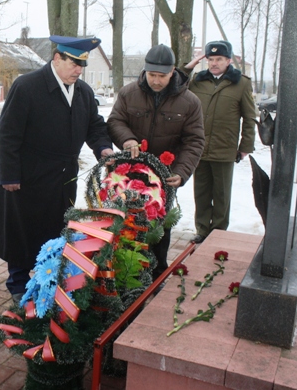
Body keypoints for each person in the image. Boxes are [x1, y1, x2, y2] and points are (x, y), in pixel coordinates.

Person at [0, 35, 114, 303]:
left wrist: (103, 148)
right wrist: (9, 173)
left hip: (63, 178)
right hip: (28, 177)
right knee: (23, 231)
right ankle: (18, 282)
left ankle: (48, 276)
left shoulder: (83, 92)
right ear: (57, 58)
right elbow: (7, 133)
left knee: (55, 230)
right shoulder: (27, 86)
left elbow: (94, 126)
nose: (78, 70)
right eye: (73, 63)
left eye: (82, 65)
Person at [107, 44, 205, 279]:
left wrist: (181, 172)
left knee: (159, 226)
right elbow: (115, 121)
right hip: (129, 173)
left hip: (164, 177)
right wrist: (128, 140)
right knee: (125, 221)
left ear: (173, 72)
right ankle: (122, 270)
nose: (156, 81)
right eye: (152, 75)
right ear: (145, 70)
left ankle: (157, 270)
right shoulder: (129, 93)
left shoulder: (190, 102)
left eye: (162, 76)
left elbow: (194, 141)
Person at [183, 41, 257, 244]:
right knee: (201, 192)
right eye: (211, 59)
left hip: (224, 147)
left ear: (228, 61)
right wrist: (188, 67)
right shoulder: (198, 80)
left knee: (222, 193)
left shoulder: (241, 83)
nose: (214, 63)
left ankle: (218, 232)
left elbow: (250, 117)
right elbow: (176, 84)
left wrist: (245, 146)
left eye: (219, 59)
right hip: (199, 147)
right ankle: (202, 229)